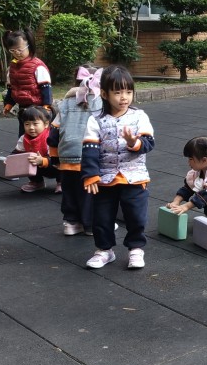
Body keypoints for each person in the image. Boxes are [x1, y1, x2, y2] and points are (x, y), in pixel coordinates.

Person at [81, 65, 154, 270]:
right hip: (105, 178)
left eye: (129, 92)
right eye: (118, 92)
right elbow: (90, 149)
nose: (124, 97)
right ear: (104, 94)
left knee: (136, 215)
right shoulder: (95, 120)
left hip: (134, 177)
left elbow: (148, 143)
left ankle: (136, 248)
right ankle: (104, 250)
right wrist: (90, 175)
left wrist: (134, 142)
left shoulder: (139, 116)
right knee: (102, 217)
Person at [48, 66, 104, 235]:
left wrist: (54, 157)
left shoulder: (65, 103)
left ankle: (71, 223)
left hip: (67, 156)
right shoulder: (102, 103)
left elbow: (54, 132)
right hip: (89, 157)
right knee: (89, 192)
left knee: (70, 192)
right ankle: (90, 225)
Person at [2, 29, 52, 138]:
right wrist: (9, 103)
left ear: (29, 46)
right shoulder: (12, 67)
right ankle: (24, 147)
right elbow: (12, 88)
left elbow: (46, 87)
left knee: (38, 134)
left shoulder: (38, 66)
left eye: (20, 50)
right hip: (22, 108)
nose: (16, 53)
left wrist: (46, 106)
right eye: (12, 50)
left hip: (38, 108)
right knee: (24, 134)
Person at [12, 105, 58, 193]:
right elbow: (17, 152)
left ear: (46, 124)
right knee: (27, 159)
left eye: (35, 124)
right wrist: (9, 160)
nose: (31, 127)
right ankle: (37, 182)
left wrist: (43, 161)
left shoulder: (51, 137)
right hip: (38, 165)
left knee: (63, 162)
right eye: (27, 124)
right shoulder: (24, 138)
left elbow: (57, 158)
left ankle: (61, 182)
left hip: (54, 165)